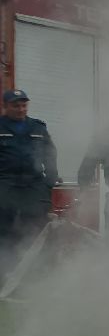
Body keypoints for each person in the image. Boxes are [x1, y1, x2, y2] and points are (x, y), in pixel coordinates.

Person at [0, 88, 57, 269]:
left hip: (33, 185)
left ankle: (34, 273)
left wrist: (49, 181)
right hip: (6, 183)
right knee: (5, 230)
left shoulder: (38, 127)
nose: (21, 109)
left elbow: (50, 154)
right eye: (16, 106)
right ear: (5, 106)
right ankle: (5, 271)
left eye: (24, 105)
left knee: (36, 229)